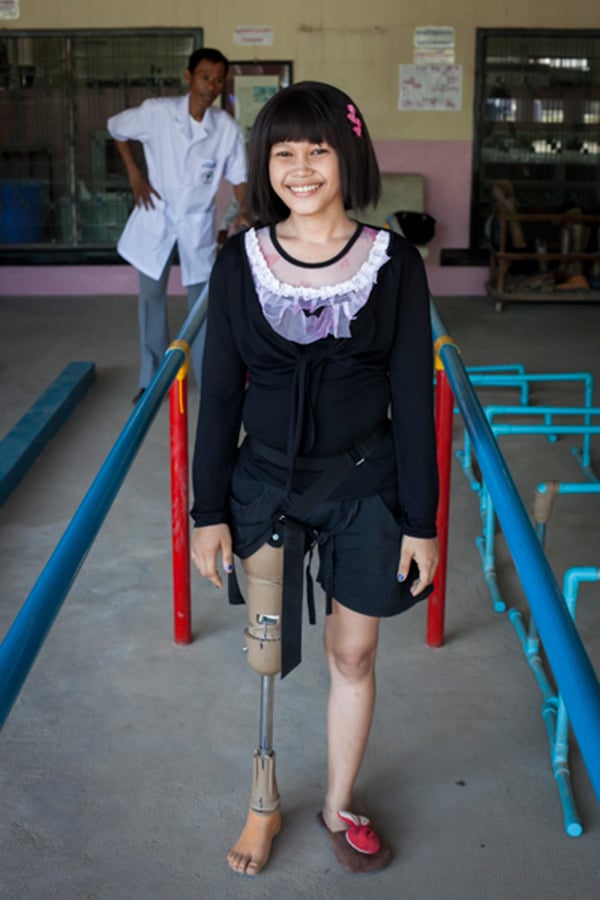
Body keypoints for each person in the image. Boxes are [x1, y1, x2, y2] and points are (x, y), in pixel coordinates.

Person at [190, 81, 439, 877]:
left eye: (319, 150)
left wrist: (423, 520)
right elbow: (220, 390)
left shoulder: (393, 262)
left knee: (354, 654)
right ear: (266, 164)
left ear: (349, 155)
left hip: (368, 484)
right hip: (263, 486)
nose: (300, 169)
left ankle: (337, 803)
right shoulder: (240, 260)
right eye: (284, 153)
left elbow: (411, 393)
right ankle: (262, 802)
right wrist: (207, 510)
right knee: (266, 654)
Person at [107, 48, 249, 402]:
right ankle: (151, 378)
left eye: (218, 79)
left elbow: (240, 176)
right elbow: (115, 128)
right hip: (155, 215)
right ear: (188, 76)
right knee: (151, 299)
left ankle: (205, 377)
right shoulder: (157, 113)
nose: (211, 86)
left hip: (196, 224)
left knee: (202, 304)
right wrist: (135, 175)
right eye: (205, 77)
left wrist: (246, 209)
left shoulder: (225, 129)